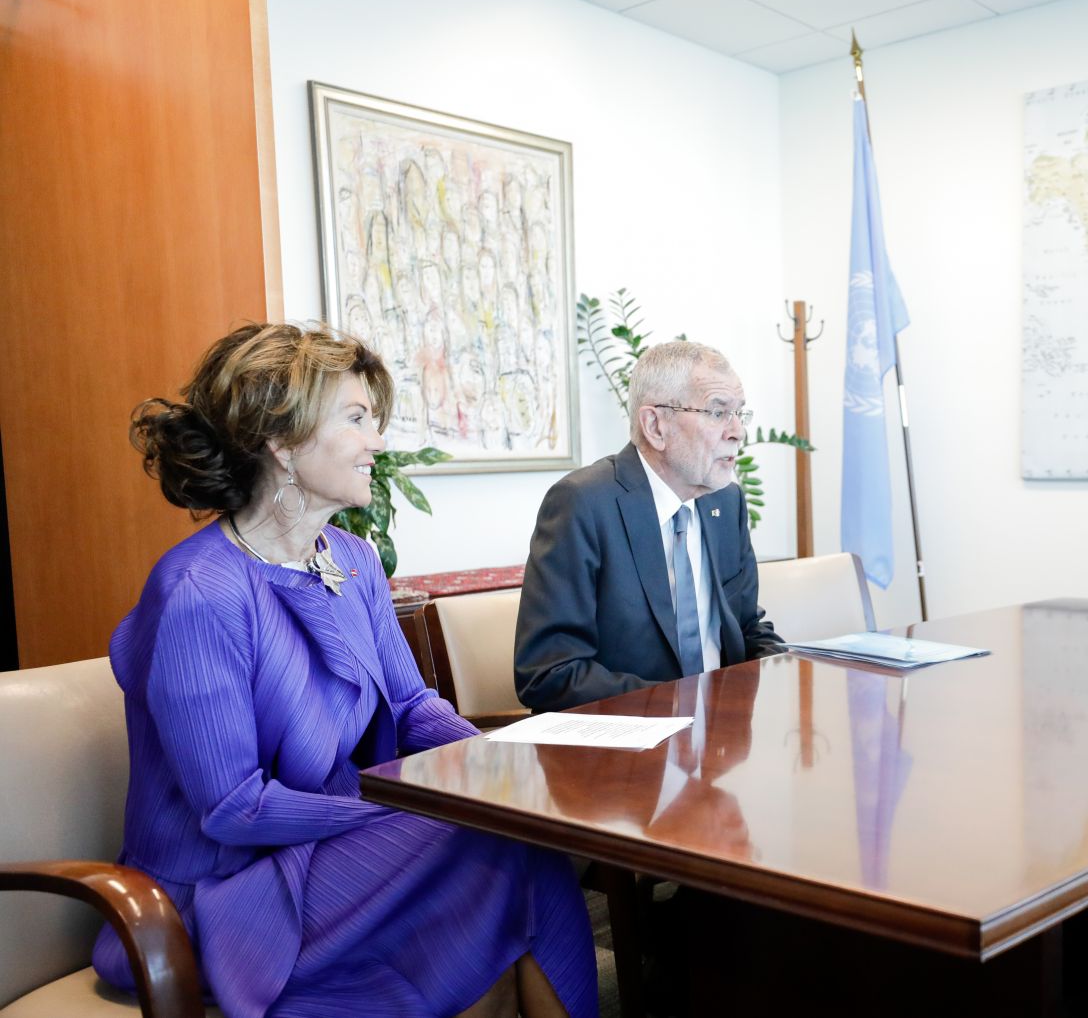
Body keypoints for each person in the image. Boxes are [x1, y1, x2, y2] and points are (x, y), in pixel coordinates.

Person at [103, 323, 596, 1018]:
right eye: (357, 419)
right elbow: (232, 810)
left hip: (328, 845)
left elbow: (411, 704)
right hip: (229, 888)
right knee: (504, 840)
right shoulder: (201, 595)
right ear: (280, 441)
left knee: (519, 831)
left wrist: (499, 763)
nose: (378, 442)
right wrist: (415, 803)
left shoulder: (353, 560)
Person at [516, 340, 783, 711]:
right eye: (718, 413)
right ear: (655, 425)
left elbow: (747, 628)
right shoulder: (583, 505)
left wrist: (790, 672)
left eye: (740, 414)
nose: (737, 431)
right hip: (623, 750)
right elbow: (549, 673)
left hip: (720, 743)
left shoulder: (726, 501)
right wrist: (680, 703)